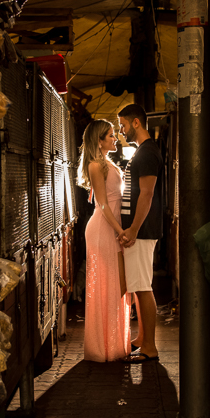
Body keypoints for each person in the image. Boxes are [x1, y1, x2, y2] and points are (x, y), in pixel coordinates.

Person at [78, 120, 131, 362]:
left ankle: (115, 343)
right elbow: (102, 204)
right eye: (110, 135)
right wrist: (120, 231)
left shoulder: (109, 163)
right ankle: (102, 347)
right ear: (99, 141)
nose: (115, 138)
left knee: (116, 284)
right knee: (106, 285)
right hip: (103, 229)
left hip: (112, 228)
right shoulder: (95, 166)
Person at [116, 104, 163, 364]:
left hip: (142, 231)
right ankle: (142, 339)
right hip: (139, 230)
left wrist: (133, 228)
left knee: (143, 288)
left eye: (123, 125)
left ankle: (150, 347)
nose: (121, 131)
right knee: (139, 286)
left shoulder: (147, 153)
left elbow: (147, 193)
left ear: (136, 122)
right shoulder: (143, 151)